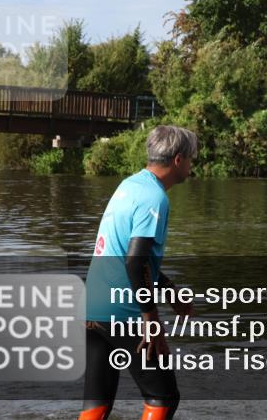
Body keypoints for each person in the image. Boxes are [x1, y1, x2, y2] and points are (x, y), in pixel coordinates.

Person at [79, 125, 197, 420]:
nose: (193, 165)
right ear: (179, 160)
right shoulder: (155, 198)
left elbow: (130, 257)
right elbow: (134, 261)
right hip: (124, 312)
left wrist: (169, 289)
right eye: (192, 159)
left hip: (93, 307)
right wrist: (151, 320)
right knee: (163, 397)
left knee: (97, 401)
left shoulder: (129, 186)